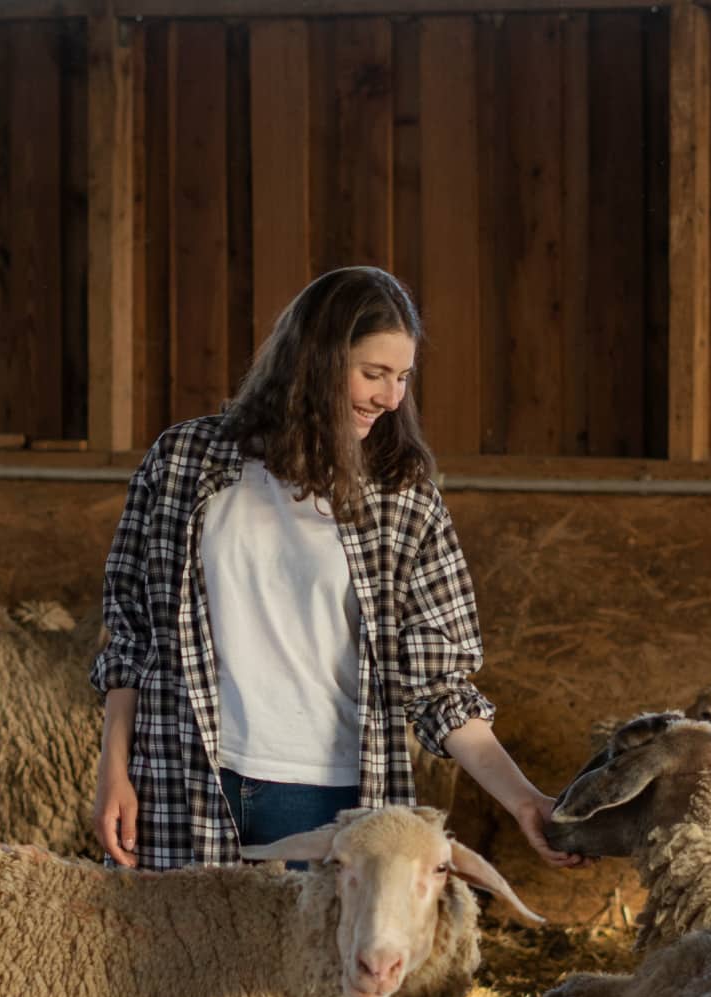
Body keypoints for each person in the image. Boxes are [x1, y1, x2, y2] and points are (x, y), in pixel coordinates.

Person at [90, 265, 577, 871]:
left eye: (402, 377)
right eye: (373, 373)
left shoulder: (403, 497)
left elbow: (439, 685)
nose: (391, 397)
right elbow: (130, 632)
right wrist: (114, 770)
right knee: (176, 965)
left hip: (327, 800)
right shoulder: (183, 462)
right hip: (179, 780)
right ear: (313, 360)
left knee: (313, 967)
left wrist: (524, 800)